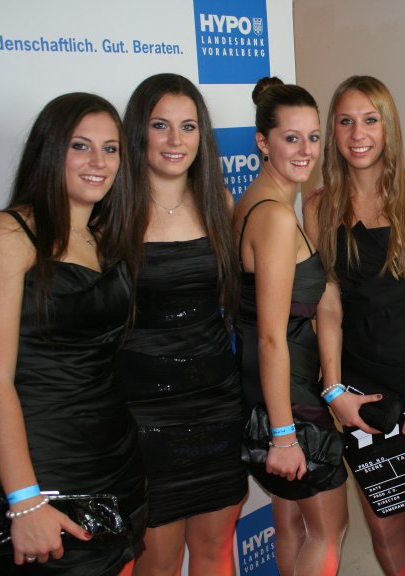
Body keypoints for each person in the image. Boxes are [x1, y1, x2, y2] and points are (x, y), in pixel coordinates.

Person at [304, 75, 405, 576]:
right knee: (383, 519)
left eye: (370, 120)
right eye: (346, 121)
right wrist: (333, 389)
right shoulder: (318, 205)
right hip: (360, 384)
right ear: (333, 130)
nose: (358, 134)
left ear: (388, 127)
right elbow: (328, 305)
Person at [0, 93, 146, 575]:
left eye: (111, 149)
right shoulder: (7, 235)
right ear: (50, 150)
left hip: (116, 458)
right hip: (45, 470)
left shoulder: (104, 236)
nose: (99, 162)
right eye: (80, 146)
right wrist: (24, 500)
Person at [116, 73, 245, 576]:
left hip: (217, 403)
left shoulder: (219, 204)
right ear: (138, 131)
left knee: (215, 553)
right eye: (160, 125)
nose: (176, 139)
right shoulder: (112, 212)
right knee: (158, 563)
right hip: (142, 416)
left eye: (188, 126)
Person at [234, 77, 347, 576]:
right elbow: (271, 336)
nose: (306, 150)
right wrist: (284, 434)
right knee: (329, 529)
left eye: (314, 137)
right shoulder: (275, 218)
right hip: (290, 397)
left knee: (291, 524)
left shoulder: (254, 201)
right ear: (263, 142)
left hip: (269, 388)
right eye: (291, 138)